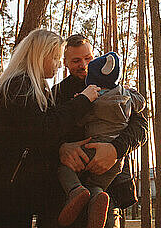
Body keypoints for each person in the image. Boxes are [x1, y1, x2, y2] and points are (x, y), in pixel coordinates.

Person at [0, 29, 101, 228]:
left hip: (13, 190)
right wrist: (82, 101)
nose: (59, 64)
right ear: (41, 56)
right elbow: (43, 129)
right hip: (3, 191)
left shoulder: (33, 87)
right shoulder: (19, 86)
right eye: (56, 58)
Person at [52, 35, 148, 228]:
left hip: (109, 188)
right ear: (65, 63)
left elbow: (141, 128)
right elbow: (44, 131)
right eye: (76, 61)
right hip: (66, 192)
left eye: (88, 58)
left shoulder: (117, 90)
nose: (84, 65)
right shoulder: (57, 94)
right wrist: (61, 148)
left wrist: (115, 149)